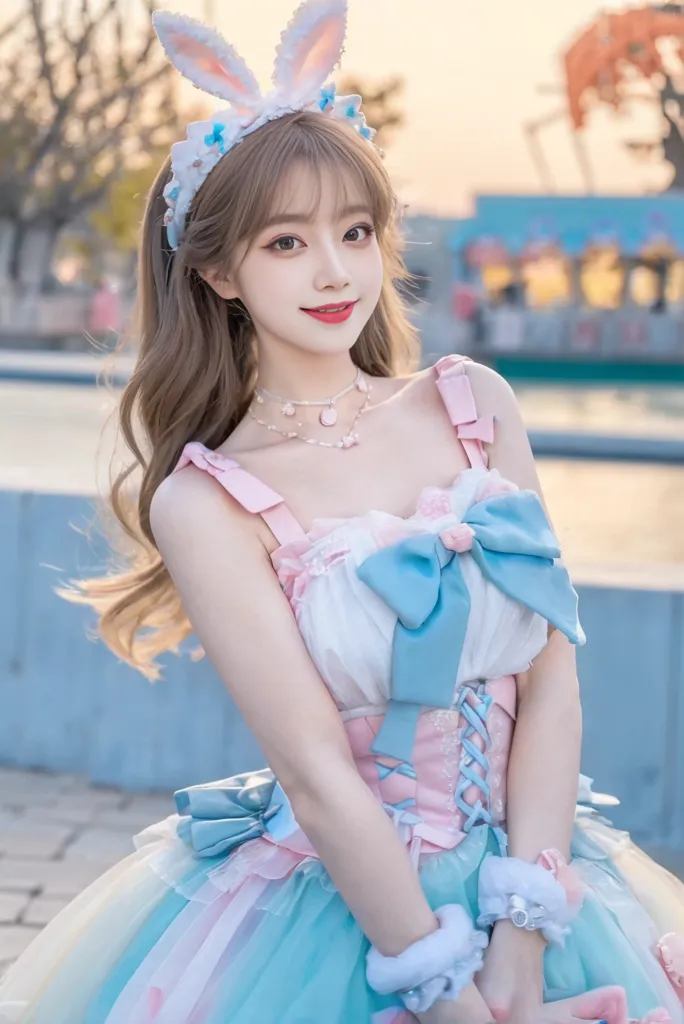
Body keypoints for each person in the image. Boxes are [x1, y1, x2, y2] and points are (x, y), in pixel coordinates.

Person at [2, 3, 684, 1022]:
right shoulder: (210, 499)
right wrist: (448, 994)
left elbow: (554, 686)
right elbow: (318, 773)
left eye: (355, 230)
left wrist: (525, 943)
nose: (335, 269)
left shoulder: (474, 406)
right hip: (349, 914)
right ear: (221, 272)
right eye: (288, 241)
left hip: (541, 887)